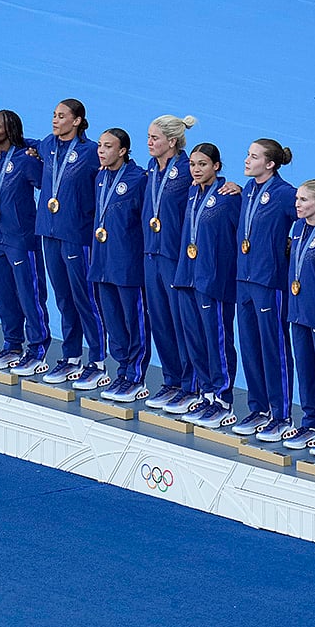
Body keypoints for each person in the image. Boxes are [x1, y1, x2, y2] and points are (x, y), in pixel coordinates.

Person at [34, 99, 107, 389]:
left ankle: (98, 361)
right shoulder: (46, 145)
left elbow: (120, 169)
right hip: (49, 233)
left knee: (84, 299)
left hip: (76, 235)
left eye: (61, 116)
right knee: (63, 298)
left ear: (76, 121)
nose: (55, 120)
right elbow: (25, 142)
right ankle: (72, 356)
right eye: (53, 115)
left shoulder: (91, 152)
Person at [268, 179, 315, 447]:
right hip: (298, 312)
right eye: (297, 199)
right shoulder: (298, 227)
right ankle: (310, 422)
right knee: (305, 370)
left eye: (303, 200)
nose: (297, 204)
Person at [231, 139, 297, 438]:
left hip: (269, 281)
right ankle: (258, 408)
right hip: (244, 278)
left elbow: (311, 212)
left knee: (274, 348)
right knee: (249, 346)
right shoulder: (248, 189)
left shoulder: (284, 194)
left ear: (270, 164)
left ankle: (281, 414)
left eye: (253, 156)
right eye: (247, 154)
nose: (246, 160)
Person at [0, 110, 50, 376]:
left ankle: (38, 348)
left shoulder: (24, 159)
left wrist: (32, 149)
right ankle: (12, 344)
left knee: (29, 293)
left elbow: (48, 183)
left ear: (9, 130)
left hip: (21, 238)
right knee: (3, 293)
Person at [174, 143, 240, 428]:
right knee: (195, 339)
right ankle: (207, 392)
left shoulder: (229, 197)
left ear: (216, 166)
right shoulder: (191, 192)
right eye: (192, 164)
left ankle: (223, 400)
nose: (196, 170)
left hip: (213, 280)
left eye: (202, 164)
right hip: (188, 275)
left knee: (217, 340)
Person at [88, 128, 150, 401]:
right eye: (100, 145)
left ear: (123, 150)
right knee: (112, 321)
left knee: (133, 322)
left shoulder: (138, 180)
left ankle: (135, 377)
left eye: (108, 146)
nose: (101, 150)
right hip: (102, 261)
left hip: (127, 265)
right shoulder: (101, 177)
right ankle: (122, 371)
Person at [142, 115, 196, 408]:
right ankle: (171, 380)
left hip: (175, 257)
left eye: (155, 138)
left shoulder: (188, 171)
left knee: (181, 324)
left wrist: (232, 187)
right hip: (152, 253)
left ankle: (190, 386)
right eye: (148, 137)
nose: (149, 143)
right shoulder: (151, 167)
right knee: (160, 321)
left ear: (172, 142)